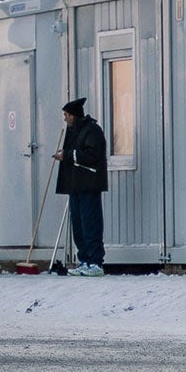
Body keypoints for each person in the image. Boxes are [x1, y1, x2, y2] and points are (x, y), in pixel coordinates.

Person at [54, 97, 108, 275]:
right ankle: (84, 259)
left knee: (90, 223)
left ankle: (96, 262)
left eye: (66, 114)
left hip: (89, 184)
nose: (65, 118)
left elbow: (92, 155)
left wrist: (68, 155)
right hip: (75, 185)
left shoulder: (92, 130)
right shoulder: (72, 131)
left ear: (74, 115)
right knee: (78, 225)